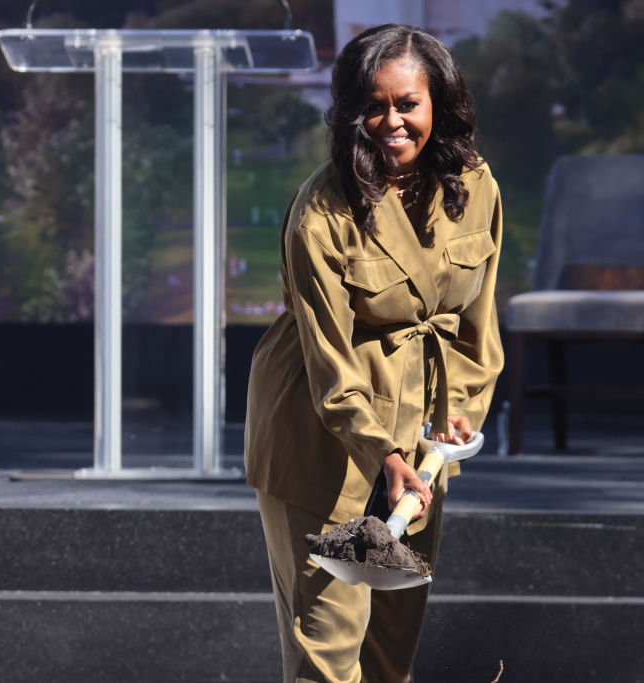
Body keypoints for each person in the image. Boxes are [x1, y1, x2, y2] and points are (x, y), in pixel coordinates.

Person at [243, 24, 503, 683]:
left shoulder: (475, 189)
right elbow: (329, 362)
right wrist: (383, 454)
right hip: (323, 449)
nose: (392, 121)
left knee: (392, 650)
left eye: (407, 103)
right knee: (328, 657)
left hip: (420, 450)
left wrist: (461, 412)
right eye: (374, 104)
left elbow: (475, 323)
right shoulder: (322, 211)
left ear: (437, 104)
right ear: (351, 112)